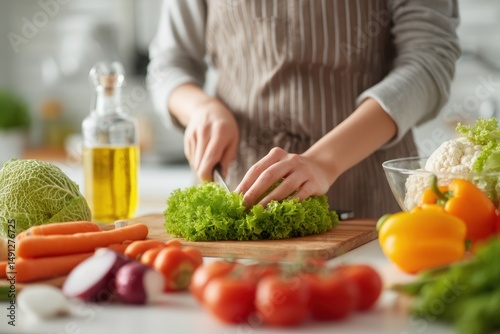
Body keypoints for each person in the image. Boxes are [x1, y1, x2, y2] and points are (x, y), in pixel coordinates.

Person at [147, 0, 460, 218]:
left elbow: (428, 60)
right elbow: (168, 64)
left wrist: (324, 161)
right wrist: (201, 109)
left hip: (367, 202)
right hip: (235, 191)